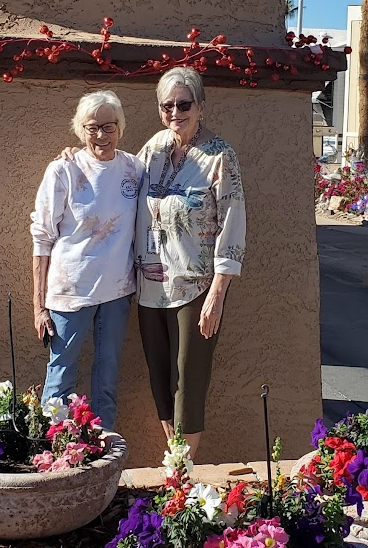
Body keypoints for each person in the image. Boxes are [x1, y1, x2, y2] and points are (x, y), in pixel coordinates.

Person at [135, 67, 246, 457]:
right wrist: (77, 157)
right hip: (150, 286)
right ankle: (175, 461)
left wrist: (218, 292)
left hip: (196, 287)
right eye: (168, 105)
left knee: (188, 382)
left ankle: (181, 474)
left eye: (184, 104)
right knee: (161, 381)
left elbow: (233, 224)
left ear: (200, 106)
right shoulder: (152, 150)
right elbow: (118, 179)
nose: (175, 112)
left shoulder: (220, 156)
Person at [31, 90, 144, 432]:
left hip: (117, 291)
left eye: (109, 126)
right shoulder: (63, 169)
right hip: (70, 292)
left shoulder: (134, 169)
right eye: (92, 127)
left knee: (106, 380)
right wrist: (38, 305)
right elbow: (42, 236)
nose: (101, 135)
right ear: (80, 130)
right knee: (60, 377)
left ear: (120, 129)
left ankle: (102, 452)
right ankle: (51, 456)